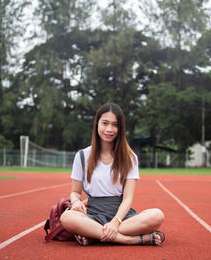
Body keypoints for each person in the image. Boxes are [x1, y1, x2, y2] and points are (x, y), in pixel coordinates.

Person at [60, 103, 165, 246]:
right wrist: (76, 201)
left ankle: (94, 235)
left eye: (115, 125)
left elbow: (128, 199)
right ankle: (130, 240)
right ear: (97, 124)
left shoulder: (130, 157)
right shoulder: (82, 156)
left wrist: (116, 221)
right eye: (105, 123)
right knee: (67, 217)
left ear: (120, 129)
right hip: (93, 216)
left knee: (157, 216)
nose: (109, 129)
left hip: (123, 217)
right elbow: (75, 192)